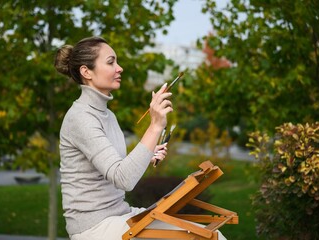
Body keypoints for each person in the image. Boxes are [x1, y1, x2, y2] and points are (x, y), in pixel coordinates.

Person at [54, 36, 226, 240]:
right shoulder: (81, 118)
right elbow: (123, 179)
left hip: (121, 215)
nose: (120, 68)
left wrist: (148, 155)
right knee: (204, 238)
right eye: (111, 62)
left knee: (211, 234)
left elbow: (119, 168)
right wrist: (155, 125)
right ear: (86, 71)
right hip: (95, 228)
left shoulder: (107, 115)